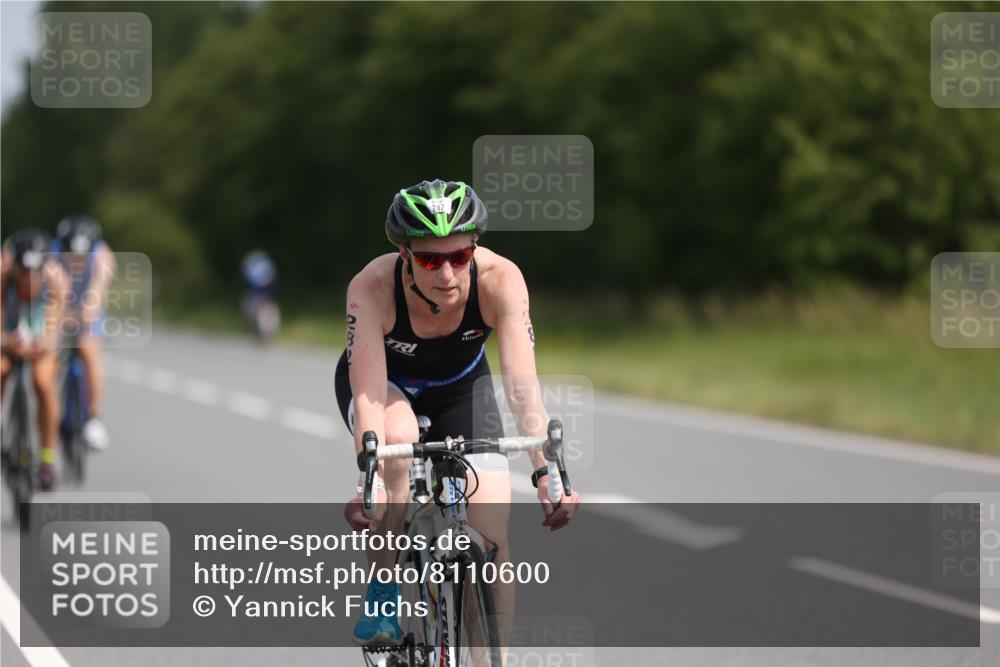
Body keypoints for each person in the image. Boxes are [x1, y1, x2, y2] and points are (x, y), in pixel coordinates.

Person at [335, 179, 581, 647]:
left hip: (459, 387)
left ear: (474, 249)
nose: (446, 273)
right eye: (430, 259)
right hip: (386, 385)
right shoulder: (370, 287)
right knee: (398, 446)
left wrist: (546, 473)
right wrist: (370, 484)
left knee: (491, 533)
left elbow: (522, 387)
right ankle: (384, 591)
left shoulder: (501, 280)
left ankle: (493, 661)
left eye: (459, 257)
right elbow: (367, 396)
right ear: (405, 255)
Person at [1, 229, 69, 490]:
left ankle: (47, 459)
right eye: (23, 271)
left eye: (34, 272)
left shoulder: (55, 279)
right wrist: (8, 342)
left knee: (42, 383)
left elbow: (54, 324)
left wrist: (41, 344)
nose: (29, 278)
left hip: (42, 342)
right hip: (10, 339)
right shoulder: (3, 277)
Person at [51, 215, 116, 450]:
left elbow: (99, 285)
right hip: (60, 303)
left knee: (89, 354)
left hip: (88, 304)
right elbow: (55, 289)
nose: (77, 260)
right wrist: (61, 315)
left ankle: (94, 418)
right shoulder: (54, 253)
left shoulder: (102, 254)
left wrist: (88, 309)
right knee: (51, 359)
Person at [240, 249, 280, 341]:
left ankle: (264, 333)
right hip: (261, 296)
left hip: (262, 296)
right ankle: (262, 333)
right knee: (259, 313)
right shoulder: (267, 268)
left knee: (264, 313)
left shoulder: (257, 268)